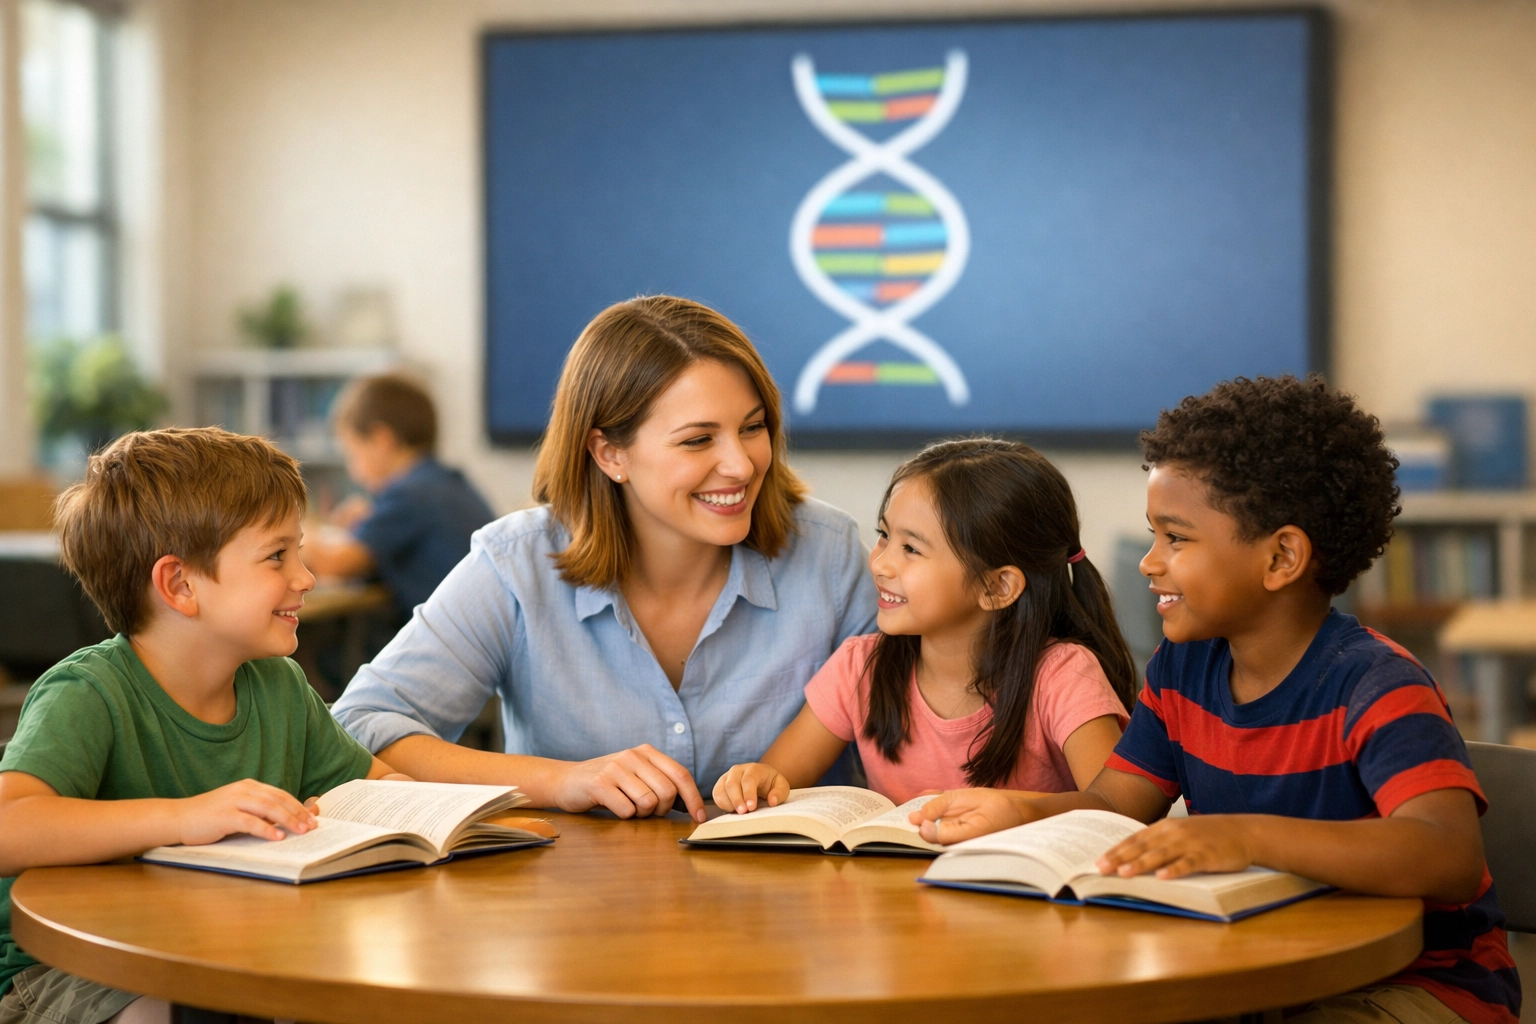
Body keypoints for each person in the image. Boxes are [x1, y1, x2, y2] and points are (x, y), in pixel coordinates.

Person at [911, 376, 1520, 1024]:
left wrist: (1244, 837)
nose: (1149, 562)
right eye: (1153, 536)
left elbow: (1447, 856)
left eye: (1176, 538)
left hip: (1414, 985)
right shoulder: (1182, 669)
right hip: (1261, 972)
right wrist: (1017, 808)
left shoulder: (1377, 686)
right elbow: (1117, 803)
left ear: (1281, 557)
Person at [331, 296, 878, 821]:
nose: (740, 465)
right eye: (697, 440)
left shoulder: (829, 553)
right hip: (578, 903)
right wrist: (562, 781)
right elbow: (358, 726)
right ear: (609, 453)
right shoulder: (516, 564)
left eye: (752, 428)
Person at [0, 428, 404, 1024]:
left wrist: (404, 816)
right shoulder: (89, 693)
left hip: (226, 949)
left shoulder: (279, 685)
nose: (306, 577)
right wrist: (185, 817)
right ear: (180, 586)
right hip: (73, 973)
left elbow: (376, 785)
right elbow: (10, 825)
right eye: (277, 556)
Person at [713, 438, 1134, 813]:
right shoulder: (859, 667)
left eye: (911, 548)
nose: (879, 563)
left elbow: (1118, 807)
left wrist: (1010, 809)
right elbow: (776, 779)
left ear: (998, 586)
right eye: (884, 536)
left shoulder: (1063, 675)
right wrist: (755, 782)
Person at [304, 373, 496, 620]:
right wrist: (367, 522)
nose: (353, 472)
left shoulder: (408, 495)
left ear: (381, 439)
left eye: (353, 454)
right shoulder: (441, 482)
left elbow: (332, 565)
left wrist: (297, 534)